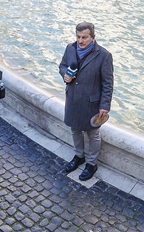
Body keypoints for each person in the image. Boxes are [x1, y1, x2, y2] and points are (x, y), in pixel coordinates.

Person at [58, 22, 114, 181]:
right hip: (73, 98)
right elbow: (62, 66)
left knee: (93, 134)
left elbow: (108, 83)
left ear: (93, 37)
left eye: (84, 37)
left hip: (91, 103)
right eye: (78, 37)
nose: (80, 41)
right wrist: (65, 75)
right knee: (75, 130)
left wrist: (104, 105)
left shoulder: (104, 56)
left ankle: (91, 163)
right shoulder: (70, 48)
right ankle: (79, 156)